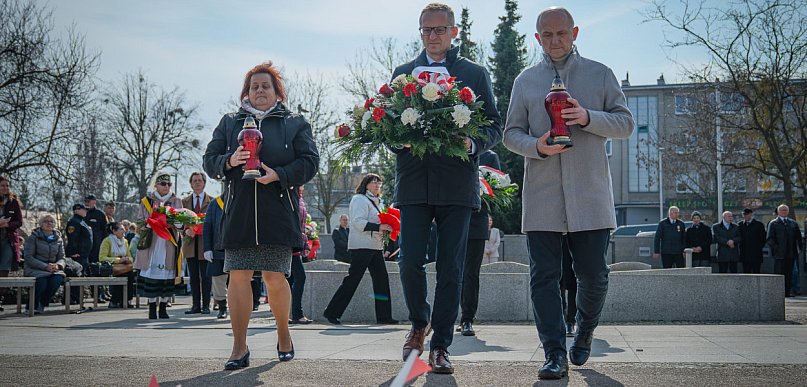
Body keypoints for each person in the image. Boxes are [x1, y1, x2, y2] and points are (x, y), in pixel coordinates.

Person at [502, 6, 635, 379]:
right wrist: (536, 146)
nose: (555, 41)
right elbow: (511, 133)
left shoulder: (600, 73)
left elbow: (626, 124)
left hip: (590, 194)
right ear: (537, 38)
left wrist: (588, 117)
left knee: (593, 274)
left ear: (575, 33)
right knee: (543, 276)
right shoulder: (525, 81)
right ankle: (554, 353)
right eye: (547, 35)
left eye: (561, 33)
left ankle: (585, 330)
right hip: (542, 195)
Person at [391, 3, 502, 374]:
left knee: (451, 268)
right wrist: (397, 140)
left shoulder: (473, 73)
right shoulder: (403, 74)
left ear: (454, 32)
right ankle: (418, 324)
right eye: (426, 30)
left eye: (440, 29)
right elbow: (389, 125)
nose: (433, 36)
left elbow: (493, 127)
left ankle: (440, 345)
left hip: (457, 185)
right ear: (420, 32)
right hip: (414, 184)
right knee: (408, 262)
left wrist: (471, 144)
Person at [203, 61, 319, 370]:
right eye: (254, 87)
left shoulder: (294, 122)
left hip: (278, 211)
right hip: (239, 212)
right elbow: (209, 160)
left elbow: (310, 162)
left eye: (265, 86)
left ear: (277, 92)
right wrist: (229, 161)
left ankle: (283, 335)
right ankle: (239, 347)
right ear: (246, 93)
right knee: (237, 278)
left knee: (274, 277)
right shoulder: (230, 122)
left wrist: (279, 174)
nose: (259, 91)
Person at [323, 174, 397, 325]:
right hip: (361, 247)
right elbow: (357, 222)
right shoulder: (359, 199)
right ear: (366, 184)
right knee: (353, 280)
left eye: (379, 182)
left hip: (375, 247)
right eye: (373, 182)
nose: (377, 185)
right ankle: (331, 313)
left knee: (382, 281)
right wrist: (379, 227)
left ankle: (384, 317)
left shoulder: (377, 203)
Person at [458, 149, 501, 337]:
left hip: (476, 219)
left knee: (471, 273)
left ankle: (467, 318)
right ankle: (444, 316)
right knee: (450, 270)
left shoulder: (489, 156)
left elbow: (497, 188)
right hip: (450, 218)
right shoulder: (449, 146)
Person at [135, 171, 184, 320]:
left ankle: (163, 307)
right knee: (151, 271)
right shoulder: (146, 201)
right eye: (163, 183)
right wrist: (150, 224)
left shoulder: (176, 201)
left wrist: (177, 222)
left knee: (167, 272)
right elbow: (139, 221)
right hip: (152, 243)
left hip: (169, 242)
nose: (166, 186)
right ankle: (151, 307)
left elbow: (181, 222)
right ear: (156, 184)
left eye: (169, 184)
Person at [182, 171, 213, 315]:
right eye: (194, 180)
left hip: (204, 244)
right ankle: (195, 305)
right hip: (190, 244)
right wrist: (184, 230)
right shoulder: (184, 202)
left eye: (200, 180)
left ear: (204, 183)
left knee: (206, 277)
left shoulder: (211, 201)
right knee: (193, 277)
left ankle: (206, 305)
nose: (197, 182)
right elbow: (178, 222)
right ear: (191, 183)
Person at [22, 215, 65, 313]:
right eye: (46, 221)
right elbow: (28, 257)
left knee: (58, 279)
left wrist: (58, 266)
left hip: (53, 269)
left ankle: (42, 303)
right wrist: (45, 266)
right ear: (41, 224)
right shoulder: (33, 237)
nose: (49, 223)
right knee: (42, 282)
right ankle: (31, 306)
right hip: (35, 268)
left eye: (51, 221)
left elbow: (62, 257)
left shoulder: (59, 239)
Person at [288, 186, 313, 324]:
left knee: (294, 278)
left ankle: (292, 314)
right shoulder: (289, 193)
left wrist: (305, 243)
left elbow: (302, 225)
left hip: (295, 243)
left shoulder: (300, 196)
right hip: (286, 242)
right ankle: (294, 314)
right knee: (296, 278)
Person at [767, 204, 802, 297]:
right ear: (778, 212)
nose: (784, 212)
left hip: (791, 253)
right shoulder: (773, 223)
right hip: (779, 254)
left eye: (785, 210)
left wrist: (799, 248)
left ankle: (787, 292)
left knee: (789, 274)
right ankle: (778, 293)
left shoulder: (793, 223)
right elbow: (770, 238)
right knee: (779, 274)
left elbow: (798, 238)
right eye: (782, 210)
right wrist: (776, 248)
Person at [203, 195, 229, 319]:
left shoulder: (241, 200)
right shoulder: (215, 203)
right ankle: (222, 307)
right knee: (218, 280)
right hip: (218, 248)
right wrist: (207, 248)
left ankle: (239, 308)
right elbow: (207, 226)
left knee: (239, 280)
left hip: (237, 248)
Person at [99, 222, 135, 308]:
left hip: (124, 266)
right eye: (121, 229)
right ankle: (115, 300)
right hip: (111, 268)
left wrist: (127, 259)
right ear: (114, 231)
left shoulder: (125, 241)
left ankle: (126, 300)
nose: (124, 231)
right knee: (122, 275)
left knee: (130, 274)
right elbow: (102, 258)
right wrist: (118, 260)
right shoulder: (107, 241)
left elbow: (130, 256)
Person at [65, 203, 92, 305]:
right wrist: (73, 252)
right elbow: (72, 238)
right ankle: (70, 298)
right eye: (84, 209)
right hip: (77, 255)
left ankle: (77, 297)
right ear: (76, 210)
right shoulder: (74, 222)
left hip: (84, 255)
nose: (86, 211)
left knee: (80, 277)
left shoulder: (82, 222)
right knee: (74, 276)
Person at [0, 175, 23, 285]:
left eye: (7, 186)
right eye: (2, 185)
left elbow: (19, 222)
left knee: (5, 266)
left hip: (8, 239)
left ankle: (1, 296)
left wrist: (7, 225)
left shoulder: (13, 202)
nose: (5, 188)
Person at [738, 208, 767, 274]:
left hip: (756, 254)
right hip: (744, 254)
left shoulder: (759, 225)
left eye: (746, 214)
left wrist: (758, 248)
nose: (745, 216)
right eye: (743, 214)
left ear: (751, 214)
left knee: (756, 272)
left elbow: (763, 238)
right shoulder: (740, 225)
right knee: (746, 273)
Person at [560, 235, 577, 337]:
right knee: (557, 286)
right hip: (557, 242)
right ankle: (561, 321)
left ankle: (570, 322)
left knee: (573, 285)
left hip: (575, 241)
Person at [83, 194, 107, 265]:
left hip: (96, 245)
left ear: (94, 202)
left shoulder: (100, 214)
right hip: (84, 245)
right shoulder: (82, 212)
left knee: (95, 264)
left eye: (88, 201)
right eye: (85, 201)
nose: (86, 203)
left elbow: (105, 230)